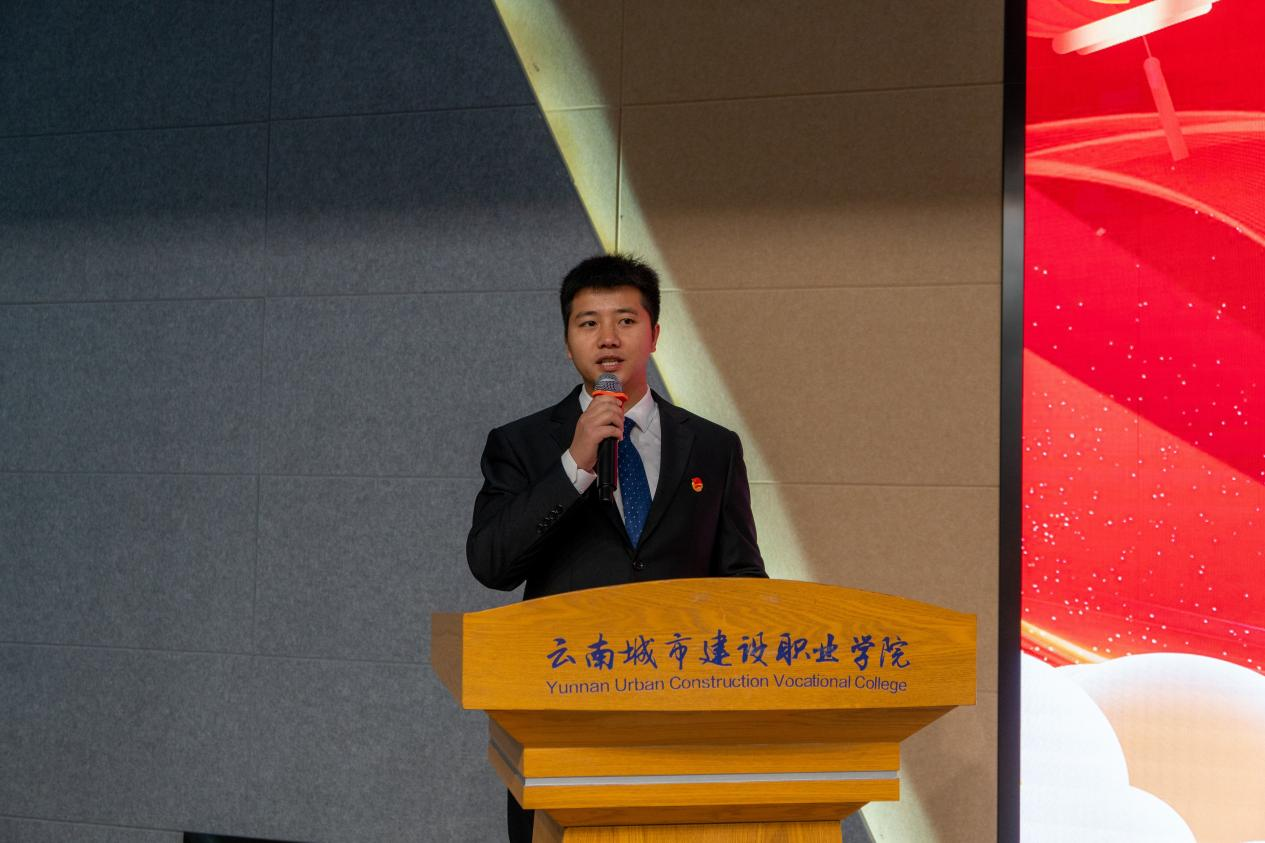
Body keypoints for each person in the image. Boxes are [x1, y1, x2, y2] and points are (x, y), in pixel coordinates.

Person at [466, 254, 766, 842]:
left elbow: (741, 578)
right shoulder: (521, 444)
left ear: (654, 335)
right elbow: (491, 564)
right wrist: (574, 464)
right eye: (588, 323)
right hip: (563, 715)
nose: (608, 338)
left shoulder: (713, 446)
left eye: (626, 321)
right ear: (567, 343)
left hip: (681, 719)